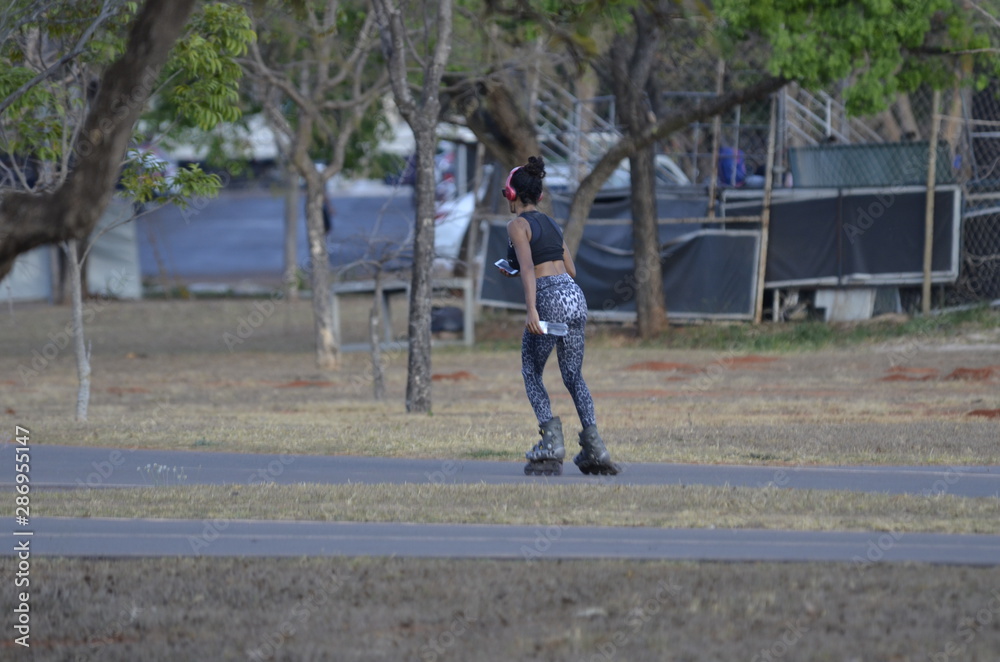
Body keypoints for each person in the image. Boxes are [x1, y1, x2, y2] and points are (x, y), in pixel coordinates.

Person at [499, 156, 621, 477]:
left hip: (549, 299)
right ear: (538, 196)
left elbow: (527, 269)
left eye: (506, 193)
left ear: (513, 195)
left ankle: (551, 441)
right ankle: (595, 446)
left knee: (530, 369)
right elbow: (571, 268)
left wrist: (531, 309)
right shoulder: (552, 223)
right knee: (573, 376)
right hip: (574, 297)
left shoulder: (517, 226)